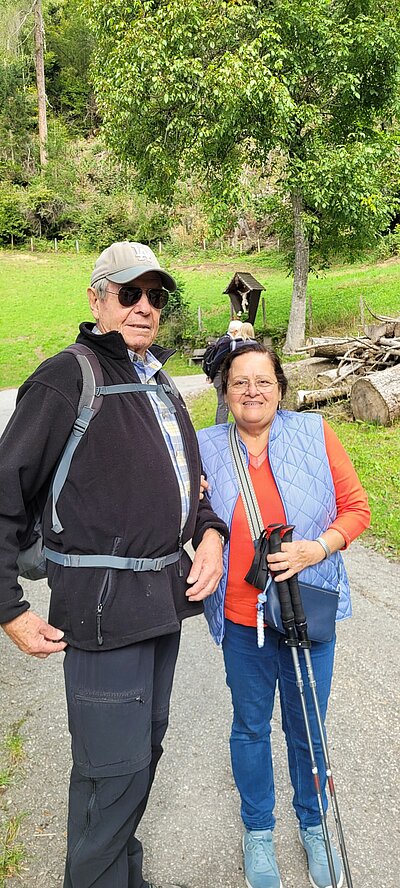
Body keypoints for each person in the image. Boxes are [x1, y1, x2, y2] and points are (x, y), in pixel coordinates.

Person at [0, 241, 229, 888]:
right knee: (114, 771)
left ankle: (119, 874)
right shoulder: (66, 378)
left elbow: (193, 487)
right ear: (97, 299)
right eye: (130, 293)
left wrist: (209, 534)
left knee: (134, 760)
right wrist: (9, 609)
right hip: (101, 614)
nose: (144, 307)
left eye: (156, 295)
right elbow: (3, 495)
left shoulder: (159, 383)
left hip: (160, 607)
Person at [197, 343, 370, 888]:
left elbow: (358, 509)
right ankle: (259, 831)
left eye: (264, 381)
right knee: (250, 727)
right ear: (225, 391)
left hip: (306, 610)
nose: (253, 391)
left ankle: (315, 825)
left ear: (280, 388)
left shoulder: (316, 434)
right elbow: (182, 508)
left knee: (307, 726)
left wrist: (315, 549)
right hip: (242, 616)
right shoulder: (203, 446)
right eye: (240, 381)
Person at [205, 319, 243, 424]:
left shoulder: (224, 340)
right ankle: (220, 427)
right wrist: (211, 376)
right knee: (223, 403)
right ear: (235, 331)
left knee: (226, 402)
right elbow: (217, 361)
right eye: (240, 331)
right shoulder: (227, 342)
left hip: (219, 376)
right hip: (219, 376)